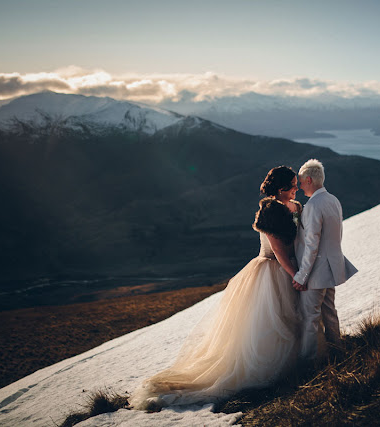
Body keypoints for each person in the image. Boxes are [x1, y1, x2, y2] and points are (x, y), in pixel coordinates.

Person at [129, 166, 302, 409]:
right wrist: (296, 274)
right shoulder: (271, 212)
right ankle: (270, 369)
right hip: (273, 271)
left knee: (290, 320)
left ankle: (297, 360)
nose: (297, 188)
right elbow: (278, 251)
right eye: (293, 185)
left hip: (288, 269)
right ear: (282, 189)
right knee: (270, 324)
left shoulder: (295, 207)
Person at [292, 159, 358, 362]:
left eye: (301, 181)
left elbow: (312, 244)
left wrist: (301, 276)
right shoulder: (333, 200)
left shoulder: (312, 206)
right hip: (332, 267)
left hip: (316, 271)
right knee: (329, 312)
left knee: (309, 317)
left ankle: (309, 364)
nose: (299, 185)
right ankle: (337, 352)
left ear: (309, 180)